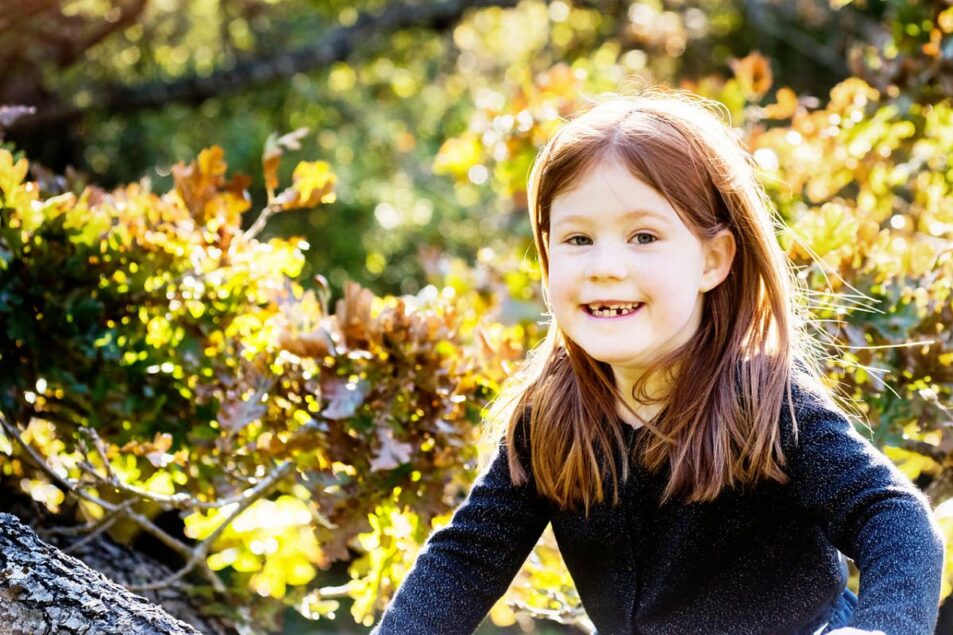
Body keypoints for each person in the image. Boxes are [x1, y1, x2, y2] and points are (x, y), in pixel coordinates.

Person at [370, 91, 946, 635]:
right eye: (577, 240)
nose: (605, 266)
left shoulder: (767, 403)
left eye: (643, 236)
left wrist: (883, 626)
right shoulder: (549, 416)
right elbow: (466, 558)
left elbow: (891, 518)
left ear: (713, 260)